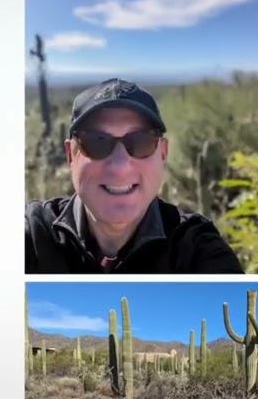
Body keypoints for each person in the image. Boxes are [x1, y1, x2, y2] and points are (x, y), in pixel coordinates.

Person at [25, 78, 245, 273]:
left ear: (163, 153)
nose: (120, 166)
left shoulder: (194, 248)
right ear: (70, 155)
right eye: (96, 141)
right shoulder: (35, 236)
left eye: (141, 142)